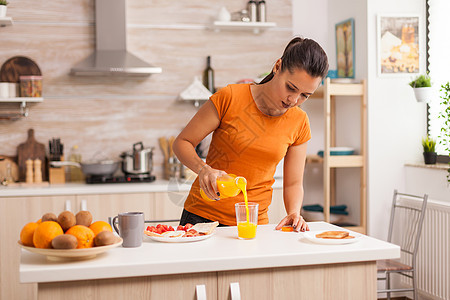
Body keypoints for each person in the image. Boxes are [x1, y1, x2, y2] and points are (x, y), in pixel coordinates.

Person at [173, 37, 329, 232]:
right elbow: (182, 142)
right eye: (291, 88)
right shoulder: (230, 97)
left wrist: (294, 212)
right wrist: (203, 169)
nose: (294, 100)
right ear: (278, 67)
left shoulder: (299, 122)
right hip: (201, 217)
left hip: (254, 224)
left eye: (305, 95)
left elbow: (294, 183)